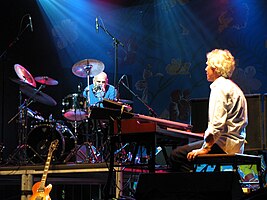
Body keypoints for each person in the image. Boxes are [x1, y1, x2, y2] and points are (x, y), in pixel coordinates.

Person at [169, 49, 248, 172]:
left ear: (215, 68)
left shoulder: (219, 88)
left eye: (207, 65)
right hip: (236, 146)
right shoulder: (234, 88)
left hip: (224, 145)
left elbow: (217, 124)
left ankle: (193, 189)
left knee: (176, 156)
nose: (205, 69)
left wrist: (205, 148)